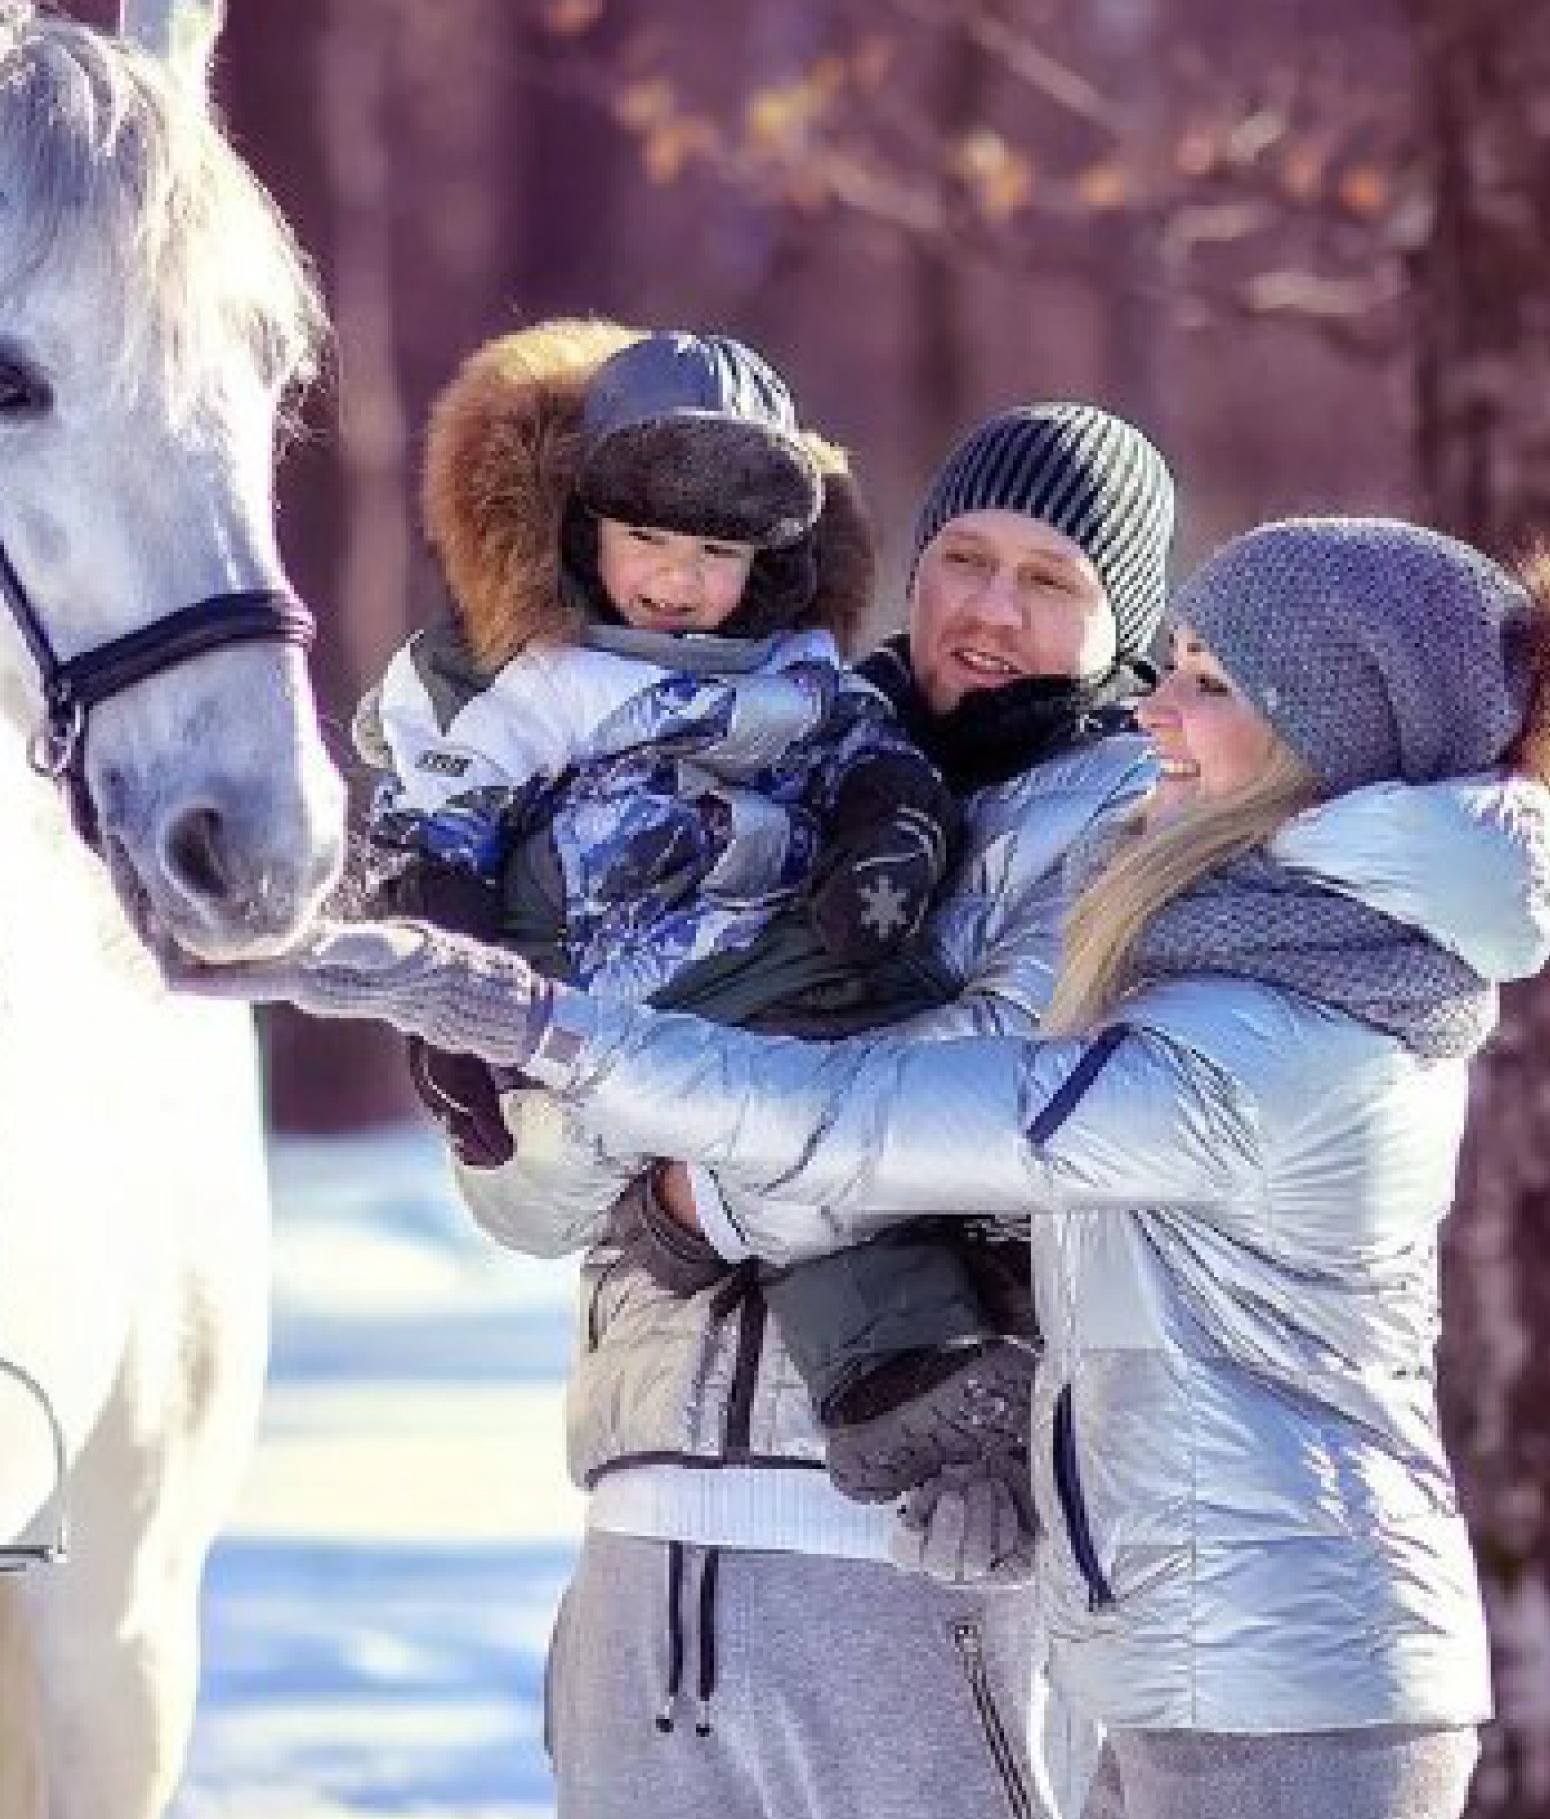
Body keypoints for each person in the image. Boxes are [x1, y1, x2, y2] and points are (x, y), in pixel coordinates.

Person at [197, 514, 1550, 1819]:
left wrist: (539, 1020)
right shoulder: (1233, 961)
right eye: (1171, 669)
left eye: (1211, 683)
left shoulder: (1267, 1037)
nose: (1160, 707)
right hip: (1183, 1662)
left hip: (1287, 1690)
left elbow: (875, 1123)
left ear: (1326, 737)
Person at [361, 322, 1080, 1502]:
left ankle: (897, 1377)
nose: (677, 579)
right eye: (645, 538)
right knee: (794, 1124)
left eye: (716, 551)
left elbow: (865, 754)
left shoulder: (797, 671)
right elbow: (438, 820)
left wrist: (888, 836)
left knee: (830, 1122)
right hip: (633, 972)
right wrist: (446, 992)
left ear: (775, 559)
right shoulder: (534, 675)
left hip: (800, 956)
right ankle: (896, 1365)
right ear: (580, 527)